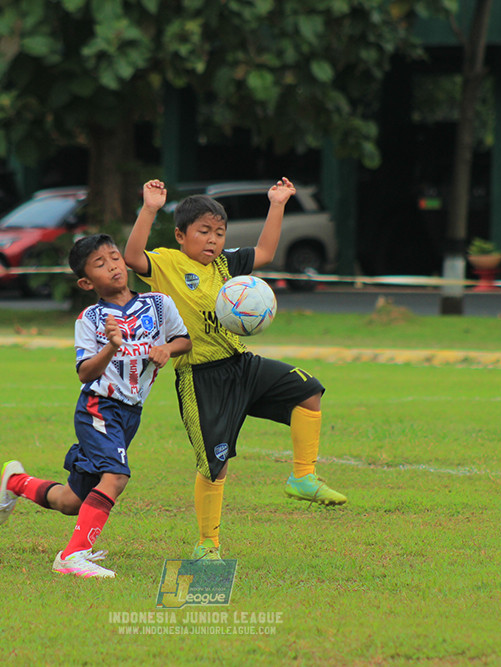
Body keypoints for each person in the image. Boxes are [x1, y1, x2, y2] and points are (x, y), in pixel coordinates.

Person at [124, 178, 347, 562]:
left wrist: (276, 203)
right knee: (216, 465)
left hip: (242, 364)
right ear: (181, 235)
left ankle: (303, 476)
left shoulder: (227, 262)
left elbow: (264, 251)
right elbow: (131, 257)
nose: (212, 240)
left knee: (308, 389)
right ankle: (207, 544)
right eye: (204, 232)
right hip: (201, 378)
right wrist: (149, 209)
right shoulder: (167, 263)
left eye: (219, 232)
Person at [0, 233, 191, 578]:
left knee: (71, 501)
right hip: (99, 408)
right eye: (100, 264)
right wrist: (111, 347)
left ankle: (17, 482)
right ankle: (72, 555)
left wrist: (167, 350)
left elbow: (183, 339)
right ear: (85, 282)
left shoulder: (159, 304)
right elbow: (84, 373)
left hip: (130, 413)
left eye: (114, 257)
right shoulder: (90, 319)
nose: (112, 265)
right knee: (116, 476)